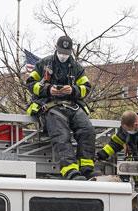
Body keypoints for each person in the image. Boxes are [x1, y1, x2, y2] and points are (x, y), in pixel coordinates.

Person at [25, 36, 96, 180]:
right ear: (56, 49)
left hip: (72, 105)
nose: (64, 56)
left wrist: (73, 90)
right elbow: (30, 83)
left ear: (71, 52)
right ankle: (70, 171)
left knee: (87, 130)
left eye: (67, 53)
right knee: (61, 134)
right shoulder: (43, 64)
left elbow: (86, 87)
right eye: (61, 52)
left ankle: (87, 168)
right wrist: (48, 90)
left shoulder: (77, 68)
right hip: (50, 105)